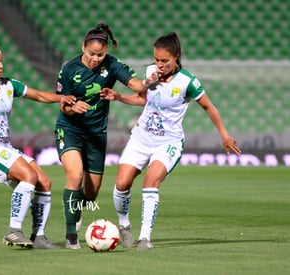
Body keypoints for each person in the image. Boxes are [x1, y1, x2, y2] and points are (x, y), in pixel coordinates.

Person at [100, 32, 242, 251]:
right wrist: (118, 97)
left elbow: (208, 107)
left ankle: (145, 238)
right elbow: (142, 99)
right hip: (140, 138)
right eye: (157, 59)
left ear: (177, 57)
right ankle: (125, 226)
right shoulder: (149, 73)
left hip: (168, 143)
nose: (159, 64)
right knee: (122, 184)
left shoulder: (188, 82)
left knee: (151, 181)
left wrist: (223, 134)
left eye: (164, 60)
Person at [0, 38, 76, 249]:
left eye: (1, 61)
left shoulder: (8, 85)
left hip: (5, 147)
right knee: (29, 176)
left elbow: (39, 95)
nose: (1, 65)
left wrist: (62, 98)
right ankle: (13, 231)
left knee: (44, 182)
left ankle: (39, 236)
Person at [55, 23, 156, 249]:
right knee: (75, 174)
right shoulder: (69, 69)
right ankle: (71, 234)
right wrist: (73, 107)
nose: (95, 58)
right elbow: (63, 106)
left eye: (100, 54)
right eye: (91, 53)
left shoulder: (111, 65)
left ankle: (77, 207)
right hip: (70, 128)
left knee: (91, 194)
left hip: (96, 134)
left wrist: (150, 81)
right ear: (83, 47)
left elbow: (136, 85)